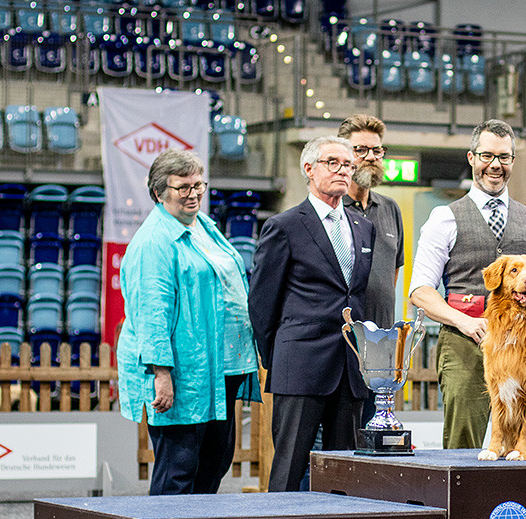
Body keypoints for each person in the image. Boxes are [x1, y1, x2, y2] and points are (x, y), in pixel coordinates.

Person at [117, 149, 261, 495]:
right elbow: (152, 312)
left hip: (222, 367)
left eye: (199, 184)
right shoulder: (154, 242)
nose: (194, 193)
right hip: (183, 371)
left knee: (215, 460)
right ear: (158, 193)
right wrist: (160, 373)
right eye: (183, 187)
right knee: (178, 468)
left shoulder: (204, 226)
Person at [408, 119, 526, 449]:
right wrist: (465, 322)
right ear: (472, 158)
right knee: (464, 441)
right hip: (465, 342)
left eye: (504, 157)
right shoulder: (444, 217)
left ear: (513, 162)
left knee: (525, 438)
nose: (495, 165)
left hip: (525, 345)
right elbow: (420, 289)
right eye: (487, 155)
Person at [248, 136, 375, 492]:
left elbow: (357, 294)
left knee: (344, 474)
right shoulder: (284, 225)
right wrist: (278, 355)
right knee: (289, 468)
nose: (343, 171)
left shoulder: (364, 227)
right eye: (333, 163)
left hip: (349, 368)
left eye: (348, 165)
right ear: (309, 169)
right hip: (299, 363)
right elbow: (261, 302)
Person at [337, 114, 405, 426]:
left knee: (374, 437)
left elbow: (391, 275)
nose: (371, 158)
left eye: (377, 151)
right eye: (361, 150)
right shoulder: (332, 210)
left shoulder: (390, 209)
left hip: (381, 349)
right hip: (342, 346)